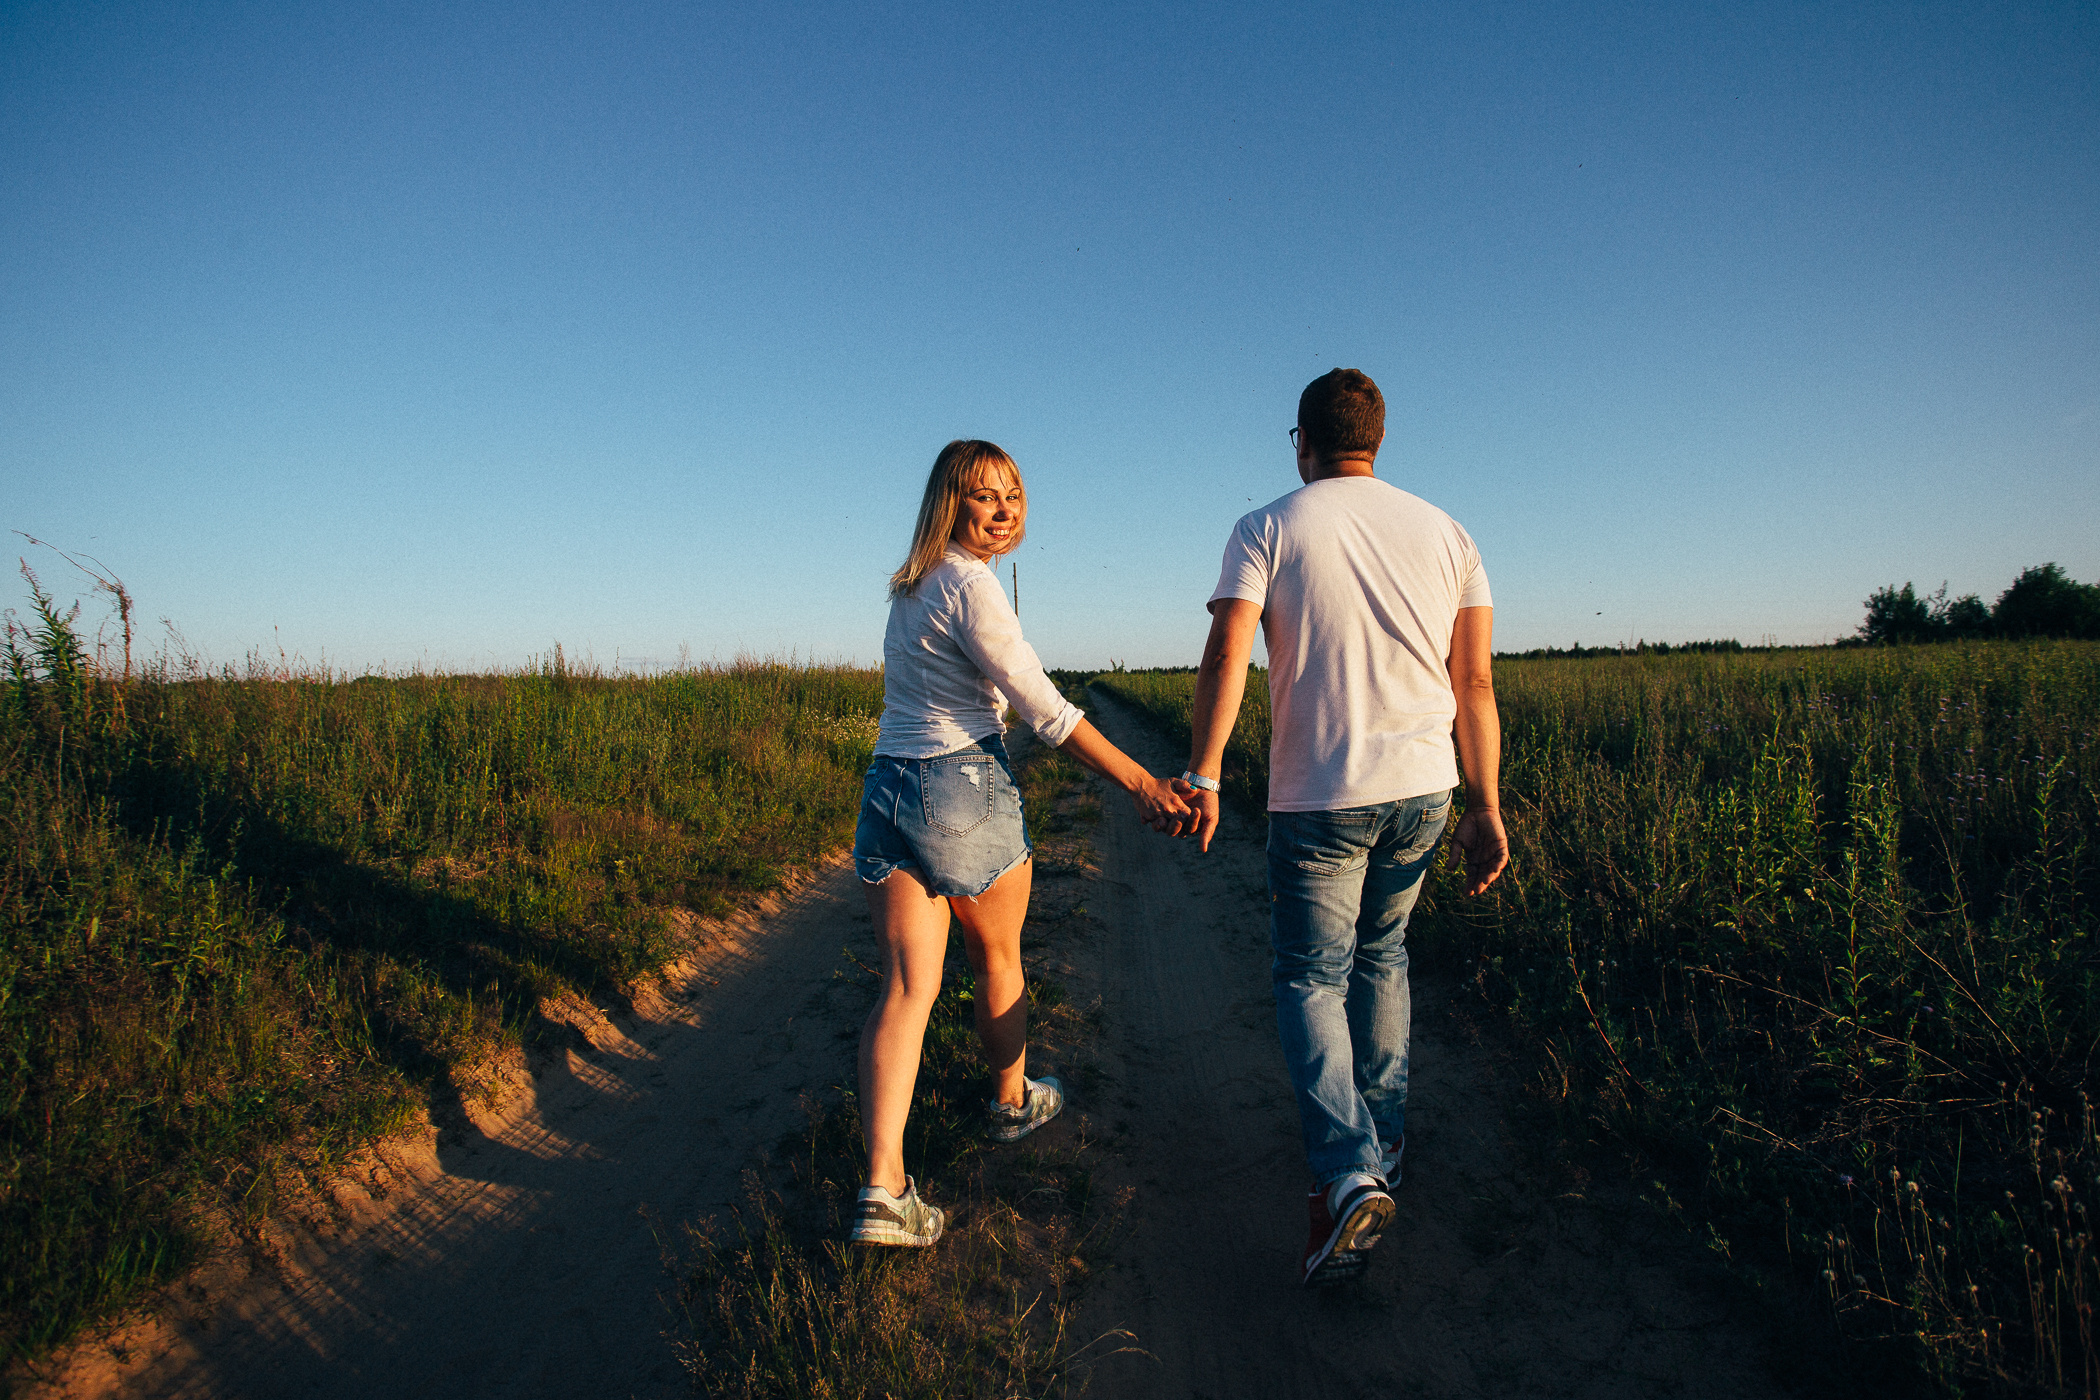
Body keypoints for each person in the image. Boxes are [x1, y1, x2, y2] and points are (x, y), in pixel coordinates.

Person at [1173, 369, 1510, 1285]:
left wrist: (1203, 773)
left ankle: (1345, 1172)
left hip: (1321, 794)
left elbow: (1226, 651)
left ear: (1301, 441)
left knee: (1310, 977)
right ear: (1380, 438)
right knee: (1384, 956)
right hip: (1425, 790)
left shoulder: (1268, 527)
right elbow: (1474, 684)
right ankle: (1386, 1143)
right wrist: (1484, 803)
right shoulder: (1451, 535)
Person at [850, 438, 1192, 1247]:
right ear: (950, 504)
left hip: (888, 786)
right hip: (959, 783)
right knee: (995, 959)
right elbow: (1046, 712)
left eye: (1013, 494)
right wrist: (1143, 783)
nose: (1003, 510)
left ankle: (882, 1190)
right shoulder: (971, 586)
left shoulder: (911, 589)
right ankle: (1010, 1102)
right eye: (983, 496)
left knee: (906, 988)